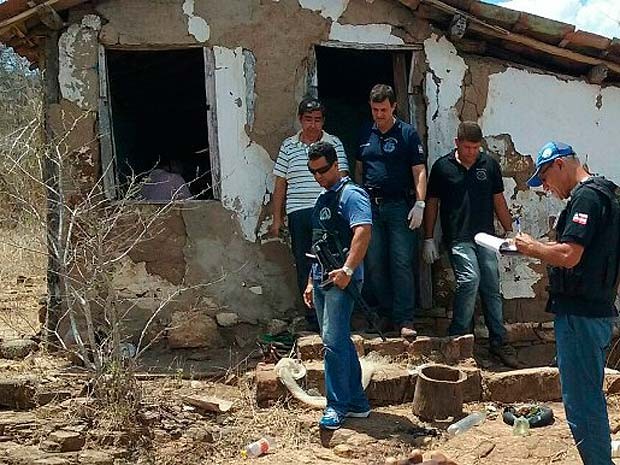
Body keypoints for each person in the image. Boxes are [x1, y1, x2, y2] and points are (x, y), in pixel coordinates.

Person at [515, 141, 620, 464]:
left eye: (545, 178)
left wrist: (531, 248)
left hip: (581, 314)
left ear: (560, 165)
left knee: (582, 401)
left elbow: (570, 255)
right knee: (588, 396)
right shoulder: (607, 194)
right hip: (595, 310)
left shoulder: (587, 197)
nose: (546, 187)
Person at [422, 121, 519, 368]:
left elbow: (499, 200)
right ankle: (459, 337)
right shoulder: (442, 168)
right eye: (467, 147)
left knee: (491, 287)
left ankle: (499, 341)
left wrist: (509, 231)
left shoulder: (489, 165)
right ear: (457, 143)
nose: (472, 152)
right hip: (458, 237)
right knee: (469, 279)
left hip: (486, 237)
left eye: (476, 147)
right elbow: (432, 203)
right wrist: (429, 237)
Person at [302, 141, 372, 430]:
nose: (318, 176)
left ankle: (337, 405)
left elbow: (363, 231)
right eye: (313, 172)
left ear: (335, 165)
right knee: (337, 341)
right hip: (321, 277)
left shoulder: (351, 195)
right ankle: (356, 402)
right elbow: (318, 243)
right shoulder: (323, 197)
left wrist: (347, 269)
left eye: (322, 170)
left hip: (341, 280)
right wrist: (310, 280)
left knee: (332, 342)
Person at [355, 84, 426, 338]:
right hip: (370, 205)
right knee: (374, 262)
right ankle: (383, 313)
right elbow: (359, 169)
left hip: (399, 206)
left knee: (401, 262)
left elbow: (419, 170)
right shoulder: (365, 132)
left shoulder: (407, 134)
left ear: (394, 106)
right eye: (375, 110)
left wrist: (420, 203)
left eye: (383, 109)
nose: (379, 115)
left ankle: (404, 318)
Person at [271, 97, 349, 329]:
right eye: (308, 120)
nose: (313, 125)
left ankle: (333, 314)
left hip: (326, 210)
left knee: (330, 260)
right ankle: (312, 317)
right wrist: (277, 218)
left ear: (323, 121)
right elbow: (280, 184)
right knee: (304, 262)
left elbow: (342, 177)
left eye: (317, 120)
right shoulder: (288, 146)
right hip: (299, 212)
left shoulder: (333, 143)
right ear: (300, 120)